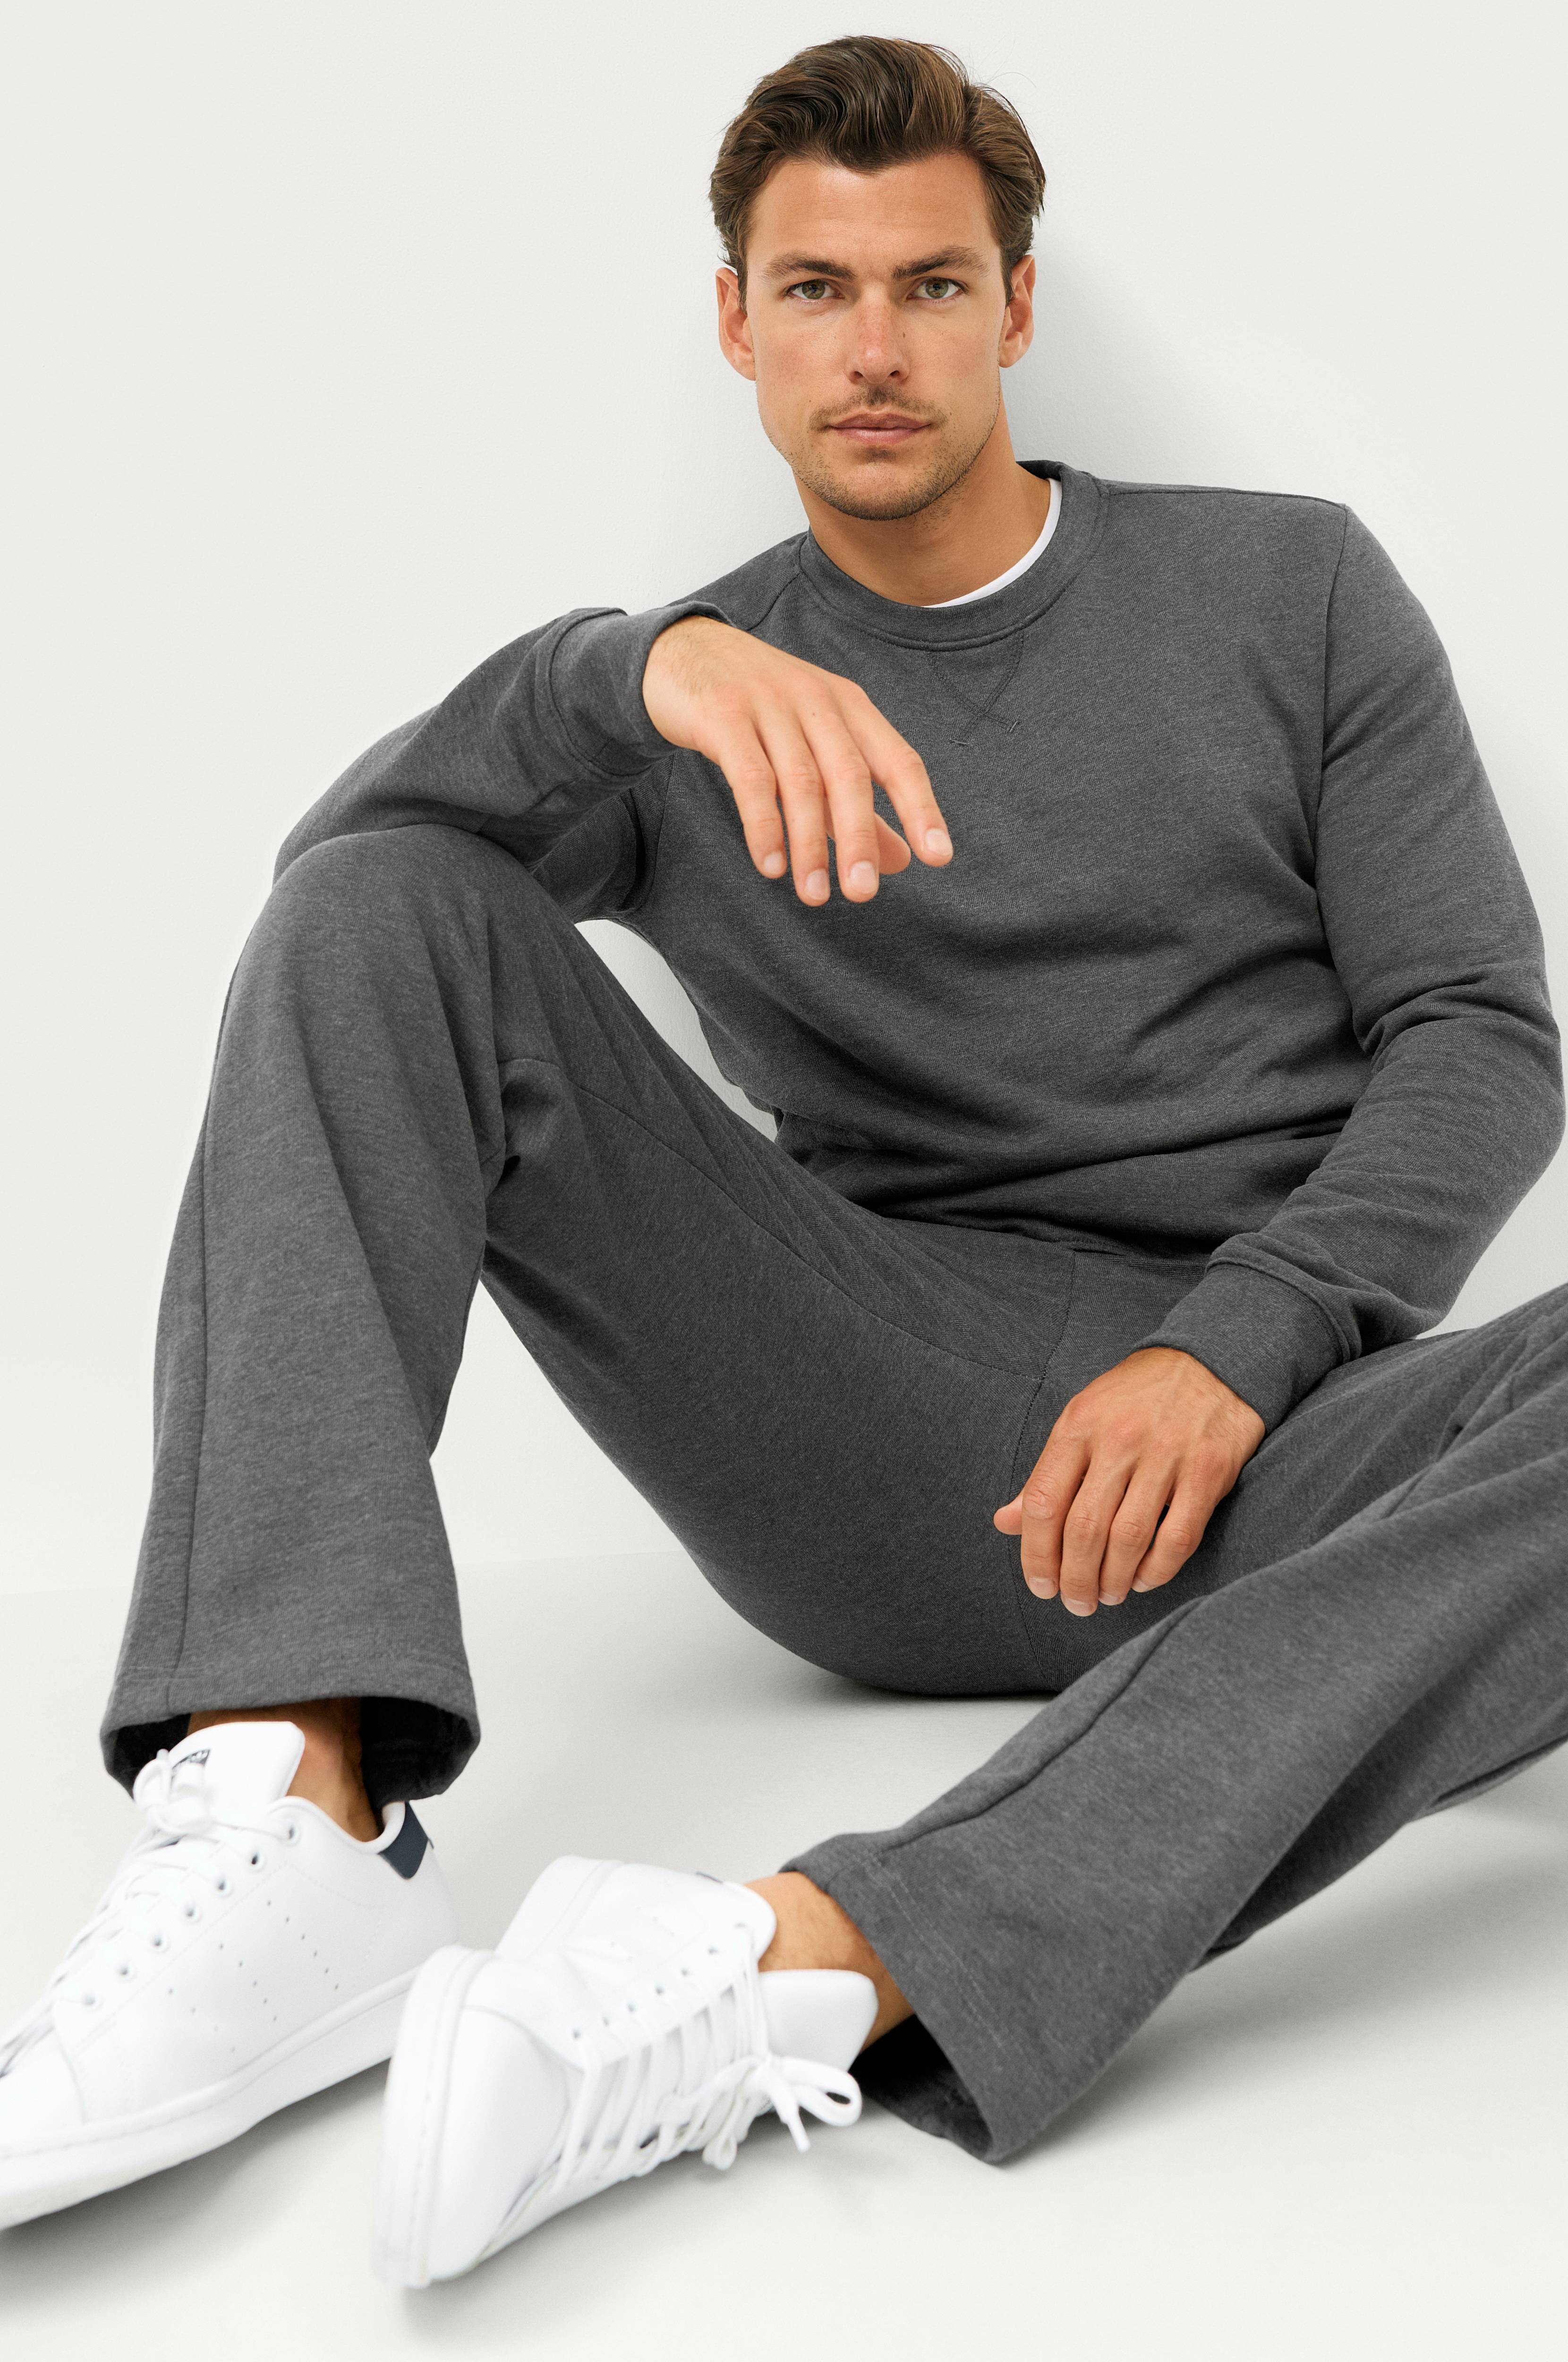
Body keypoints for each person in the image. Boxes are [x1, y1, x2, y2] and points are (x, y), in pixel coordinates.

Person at [3, 31, 1564, 2284]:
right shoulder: (690, 697)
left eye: (929, 284)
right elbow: (336, 911)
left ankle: (806, 1962)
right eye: (815, 290)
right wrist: (619, 673)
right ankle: (282, 1808)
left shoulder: (1289, 589)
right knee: (379, 908)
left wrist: (1235, 1342)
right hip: (877, 1421)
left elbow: (1482, 1041)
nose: (874, 346)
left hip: (1278, 1445)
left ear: (1015, 307)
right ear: (734, 324)